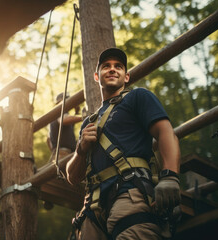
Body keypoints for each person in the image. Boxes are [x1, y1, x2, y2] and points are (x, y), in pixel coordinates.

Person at [66, 48, 181, 240]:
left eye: (118, 66)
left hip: (130, 194)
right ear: (96, 76)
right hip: (92, 213)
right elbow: (72, 177)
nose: (112, 69)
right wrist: (80, 149)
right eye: (106, 67)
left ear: (126, 77)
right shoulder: (89, 122)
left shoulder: (138, 97)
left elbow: (165, 132)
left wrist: (169, 176)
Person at [47, 93, 83, 163]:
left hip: (60, 153)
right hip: (63, 154)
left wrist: (77, 112)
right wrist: (84, 116)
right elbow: (64, 120)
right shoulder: (60, 112)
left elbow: (48, 139)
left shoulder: (54, 116)